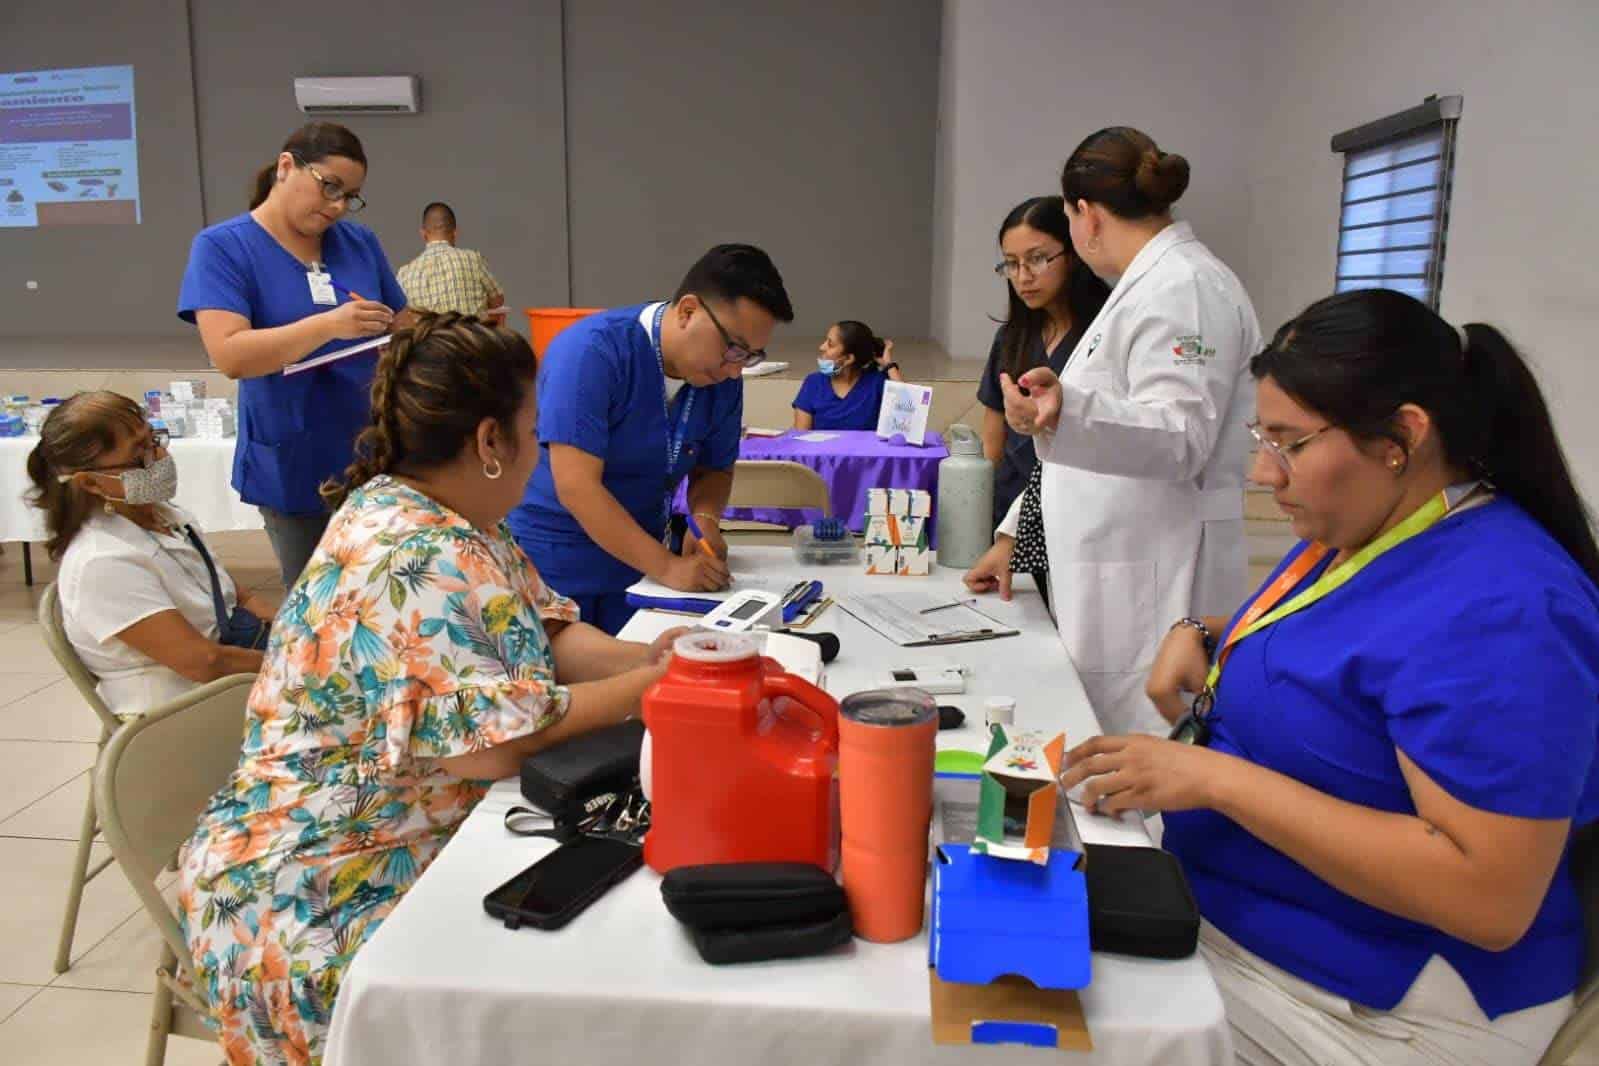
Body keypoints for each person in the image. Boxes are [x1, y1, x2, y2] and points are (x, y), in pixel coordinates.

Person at [1062, 290, 1599, 1066]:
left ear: (1401, 438)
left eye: (1287, 441)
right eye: (1259, 435)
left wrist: (1215, 780)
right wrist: (1203, 632)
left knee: (1014, 1033)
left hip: (1377, 1004)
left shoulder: (1505, 609)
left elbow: (1487, 897)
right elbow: (1341, 639)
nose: (1258, 469)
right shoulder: (1366, 523)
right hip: (1248, 918)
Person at [179, 315, 689, 1066]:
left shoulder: (458, 519)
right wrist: (649, 689)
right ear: (490, 441)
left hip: (383, 826)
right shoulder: (417, 549)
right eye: (532, 431)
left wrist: (649, 655)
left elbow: (543, 634)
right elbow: (494, 746)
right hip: (309, 889)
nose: (538, 453)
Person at [966, 127, 1259, 735]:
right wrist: (1014, 532)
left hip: (1155, 568)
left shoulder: (1187, 288)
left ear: (1086, 216)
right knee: (1097, 738)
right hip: (1111, 557)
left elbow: (1183, 436)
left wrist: (1065, 411)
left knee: (1141, 755)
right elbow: (1081, 454)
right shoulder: (1147, 288)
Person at [509, 244, 795, 635]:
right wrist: (667, 566)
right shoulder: (592, 353)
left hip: (641, 563)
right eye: (734, 348)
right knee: (568, 679)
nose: (735, 370)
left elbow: (714, 468)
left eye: (751, 356)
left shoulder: (721, 378)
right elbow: (577, 486)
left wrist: (705, 521)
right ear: (688, 310)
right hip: (559, 562)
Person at [178, 121, 409, 591]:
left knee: (387, 594)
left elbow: (399, 321)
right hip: (295, 458)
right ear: (287, 166)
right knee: (319, 602)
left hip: (374, 454)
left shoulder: (357, 243)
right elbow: (231, 355)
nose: (338, 206)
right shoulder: (224, 248)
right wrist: (328, 326)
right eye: (330, 187)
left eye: (350, 196)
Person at [25, 392, 276, 716]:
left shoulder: (164, 516)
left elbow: (230, 592)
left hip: (232, 670)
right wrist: (296, 665)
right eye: (139, 452)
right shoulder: (102, 562)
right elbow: (204, 662)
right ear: (89, 482)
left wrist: (287, 629)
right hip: (185, 708)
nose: (158, 456)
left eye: (153, 440)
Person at [395, 201, 507, 318]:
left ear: (423, 234)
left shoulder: (404, 274)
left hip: (429, 336)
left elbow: (399, 316)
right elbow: (498, 301)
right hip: (471, 335)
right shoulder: (472, 259)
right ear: (455, 232)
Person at [791, 320, 903, 431]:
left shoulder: (876, 383)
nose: (822, 347)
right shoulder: (813, 383)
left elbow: (908, 413)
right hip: (820, 450)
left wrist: (889, 365)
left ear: (849, 358)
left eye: (830, 344)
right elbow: (800, 436)